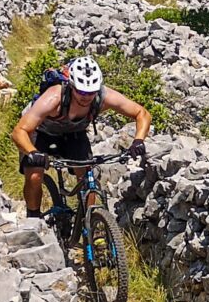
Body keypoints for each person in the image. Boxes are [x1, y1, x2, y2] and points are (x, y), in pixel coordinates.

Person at [11, 54, 151, 219]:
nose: (86, 97)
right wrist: (33, 153)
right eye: (81, 91)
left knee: (87, 177)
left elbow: (142, 113)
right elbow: (19, 131)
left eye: (91, 92)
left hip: (73, 133)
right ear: (71, 86)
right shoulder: (54, 98)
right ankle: (33, 218)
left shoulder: (104, 96)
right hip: (41, 132)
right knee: (34, 175)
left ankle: (90, 222)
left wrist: (138, 141)